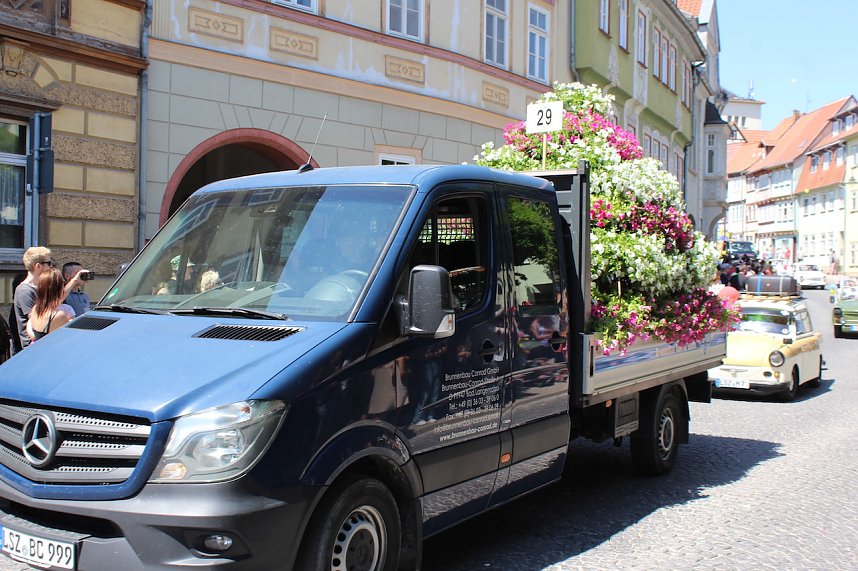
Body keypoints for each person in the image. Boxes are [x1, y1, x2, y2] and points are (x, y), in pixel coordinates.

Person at [14, 247, 87, 349]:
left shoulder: (40, 287)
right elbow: (38, 323)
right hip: (32, 349)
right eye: (48, 263)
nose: (51, 266)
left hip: (44, 345)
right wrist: (65, 321)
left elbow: (53, 304)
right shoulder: (25, 290)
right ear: (38, 266)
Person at [25, 268, 76, 342]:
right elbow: (69, 338)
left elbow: (33, 336)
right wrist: (71, 322)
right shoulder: (58, 315)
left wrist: (30, 320)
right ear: (60, 288)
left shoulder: (36, 309)